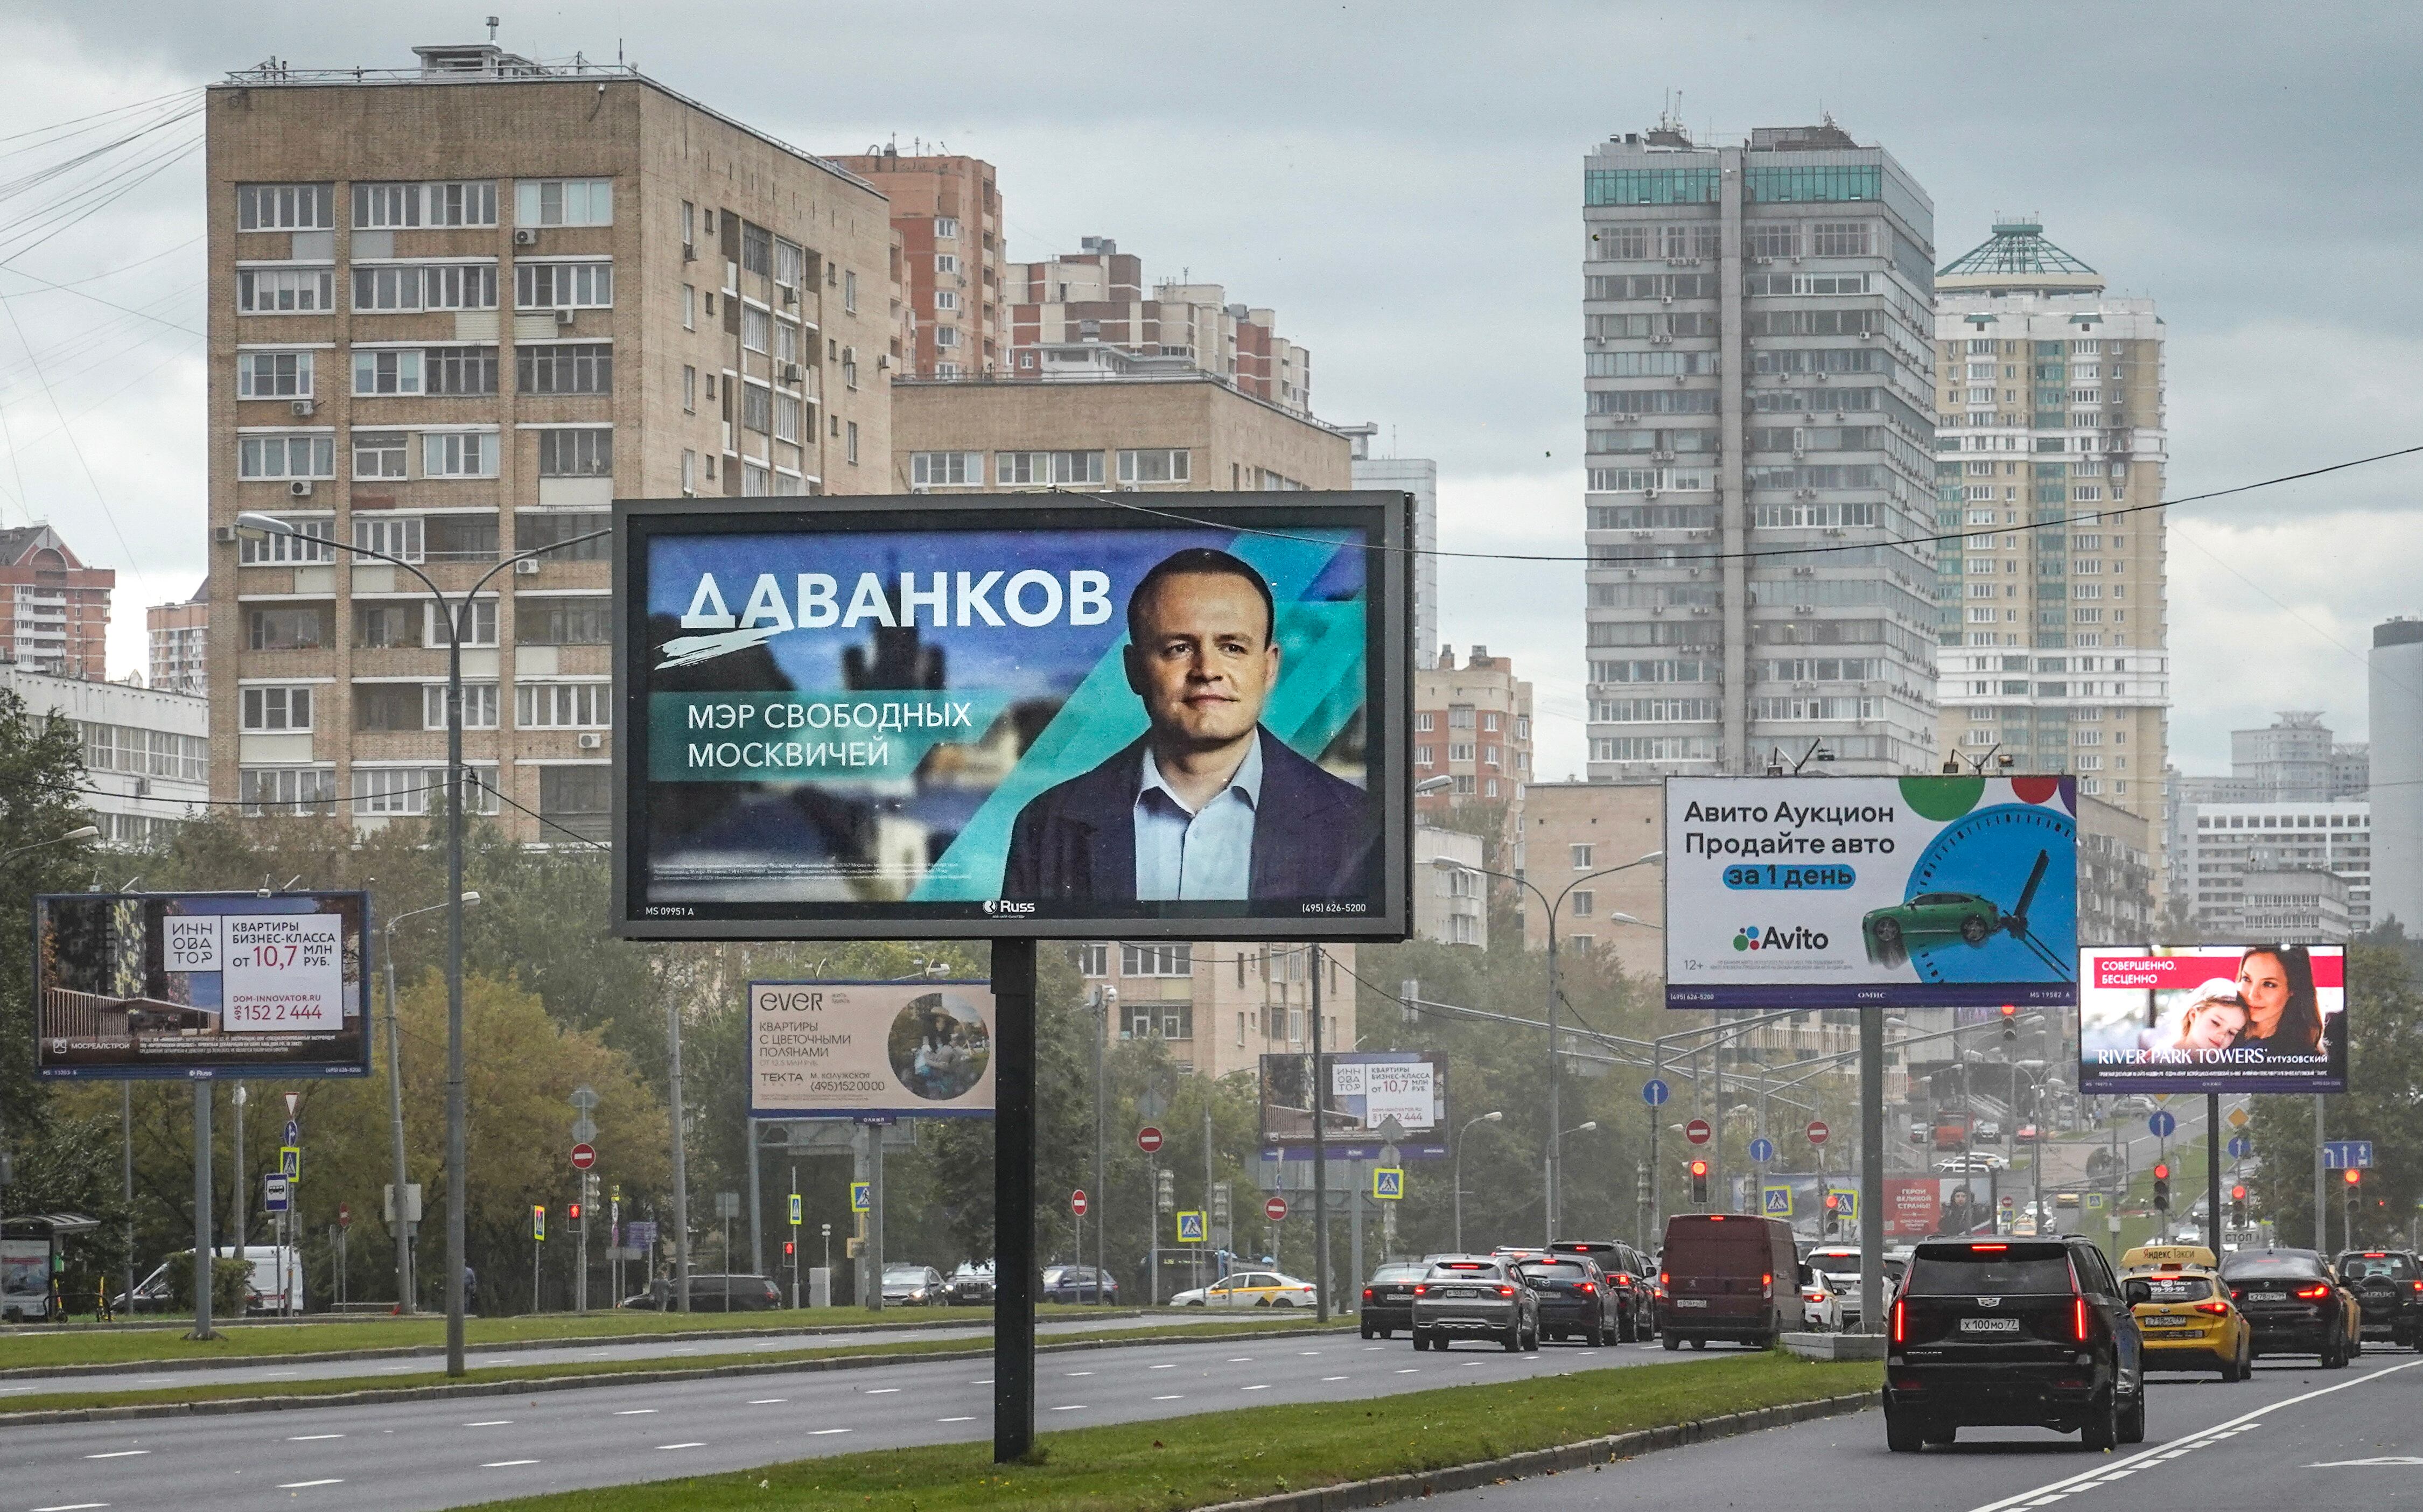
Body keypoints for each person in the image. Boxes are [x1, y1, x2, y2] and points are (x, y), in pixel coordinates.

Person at [1000, 547, 1375, 902]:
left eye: (1233, 648)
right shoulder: (1045, 827)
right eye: (1179, 648)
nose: (1208, 671)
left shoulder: (1356, 824)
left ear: (1269, 667)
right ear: (1135, 671)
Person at [2231, 945, 2326, 1055]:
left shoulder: (2302, 1056)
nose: (2252, 995)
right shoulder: (2221, 1032)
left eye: (2269, 984)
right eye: (2247, 979)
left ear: (2293, 989)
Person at [2137, 979, 2247, 1055]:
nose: (2222, 1035)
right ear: (2194, 1015)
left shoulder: (2222, 1064)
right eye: (2216, 1023)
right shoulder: (2159, 1057)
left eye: (2232, 1032)